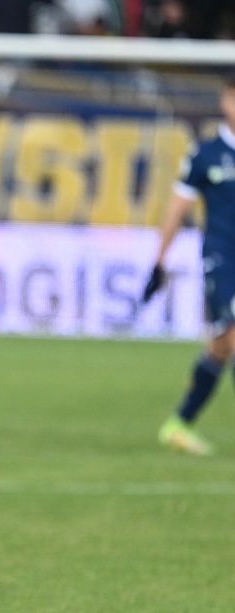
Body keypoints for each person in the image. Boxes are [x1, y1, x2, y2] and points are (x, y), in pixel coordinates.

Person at [144, 77, 235, 456]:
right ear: (225, 101)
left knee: (220, 347)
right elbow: (177, 209)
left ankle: (179, 423)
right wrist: (159, 260)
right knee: (231, 337)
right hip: (222, 259)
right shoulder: (206, 154)